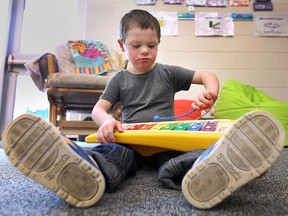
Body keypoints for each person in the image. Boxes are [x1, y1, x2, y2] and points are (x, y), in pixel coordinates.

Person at [2, 9, 285, 210]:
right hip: (132, 140)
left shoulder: (168, 72)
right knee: (113, 153)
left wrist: (211, 92)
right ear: (122, 45)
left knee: (180, 159)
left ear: (159, 44)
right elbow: (100, 109)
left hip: (168, 138)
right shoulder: (119, 79)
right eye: (136, 45)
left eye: (152, 45)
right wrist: (106, 122)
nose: (145, 51)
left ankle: (219, 166)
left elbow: (206, 75)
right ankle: (83, 169)